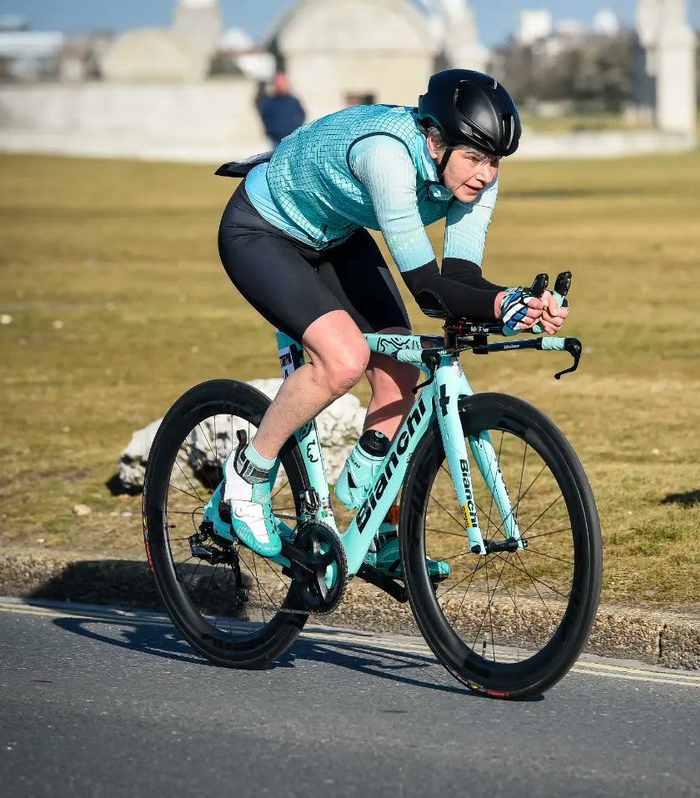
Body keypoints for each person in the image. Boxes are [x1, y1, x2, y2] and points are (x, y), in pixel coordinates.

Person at [214, 69, 569, 580]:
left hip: (334, 233)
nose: (485, 174)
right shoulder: (386, 156)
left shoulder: (476, 176)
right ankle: (247, 476)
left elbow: (460, 277)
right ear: (434, 141)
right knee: (343, 361)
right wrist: (502, 306)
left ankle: (376, 525)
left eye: (494, 161)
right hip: (261, 231)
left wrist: (521, 305)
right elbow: (428, 291)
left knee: (402, 368)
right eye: (474, 158)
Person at [257, 72, 307, 148]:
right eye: (278, 83)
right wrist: (271, 131)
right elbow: (265, 117)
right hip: (276, 140)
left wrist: (295, 128)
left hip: (292, 139)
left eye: (282, 83)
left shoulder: (293, 101)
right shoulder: (269, 102)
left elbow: (302, 115)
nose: (280, 85)